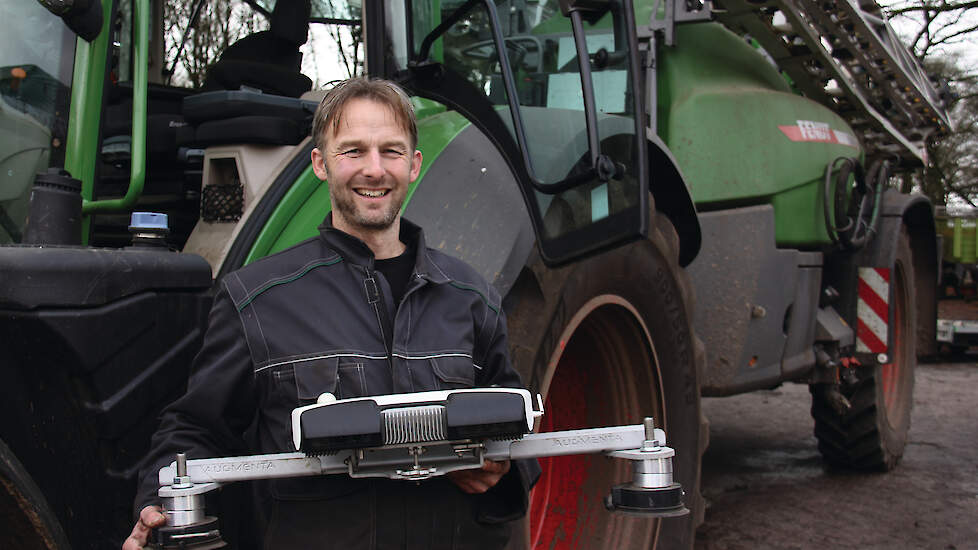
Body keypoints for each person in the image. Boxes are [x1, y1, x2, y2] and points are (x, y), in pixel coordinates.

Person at [124, 78, 536, 549]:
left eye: (392, 151)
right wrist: (159, 506)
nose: (374, 170)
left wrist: (499, 469)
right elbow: (195, 429)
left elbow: (518, 432)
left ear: (415, 165)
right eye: (353, 151)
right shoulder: (257, 299)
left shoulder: (471, 297)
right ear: (321, 163)